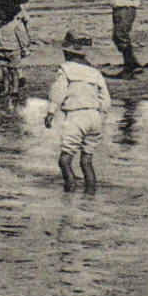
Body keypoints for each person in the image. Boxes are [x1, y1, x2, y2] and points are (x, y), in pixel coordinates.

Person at [44, 32, 111, 191]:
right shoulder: (95, 73)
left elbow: (58, 92)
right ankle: (90, 193)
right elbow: (106, 100)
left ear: (67, 53)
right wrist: (100, 116)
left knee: (65, 160)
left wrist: (51, 112)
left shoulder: (66, 69)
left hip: (76, 117)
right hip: (94, 117)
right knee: (86, 161)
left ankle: (70, 189)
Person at [0, 0, 32, 95]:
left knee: (14, 70)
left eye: (0, 12)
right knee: (5, 70)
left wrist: (24, 48)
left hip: (13, 50)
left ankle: (15, 88)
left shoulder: (16, 23)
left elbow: (23, 37)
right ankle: (6, 88)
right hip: (2, 49)